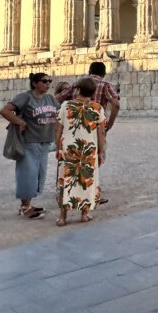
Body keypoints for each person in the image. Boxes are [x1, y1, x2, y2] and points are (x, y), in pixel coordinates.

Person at [57, 61, 120, 205]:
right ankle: (90, 193)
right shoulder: (105, 85)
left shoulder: (76, 85)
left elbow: (58, 98)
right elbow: (116, 104)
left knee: (74, 158)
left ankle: (70, 192)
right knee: (93, 159)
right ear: (103, 73)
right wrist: (109, 124)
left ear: (89, 71)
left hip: (74, 127)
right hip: (94, 127)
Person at [0, 73, 59, 220]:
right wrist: (20, 122)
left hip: (45, 142)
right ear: (34, 83)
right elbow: (4, 110)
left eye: (49, 81)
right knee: (27, 174)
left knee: (39, 175)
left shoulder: (50, 98)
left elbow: (58, 114)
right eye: (44, 81)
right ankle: (25, 207)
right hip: (29, 142)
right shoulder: (25, 97)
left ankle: (29, 203)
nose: (48, 83)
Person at [54, 76, 107, 226]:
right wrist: (102, 151)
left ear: (77, 89)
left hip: (69, 149)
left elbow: (58, 128)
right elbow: (101, 133)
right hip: (88, 149)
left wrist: (57, 146)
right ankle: (84, 213)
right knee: (86, 181)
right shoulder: (98, 108)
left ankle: (63, 217)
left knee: (66, 181)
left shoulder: (66, 106)